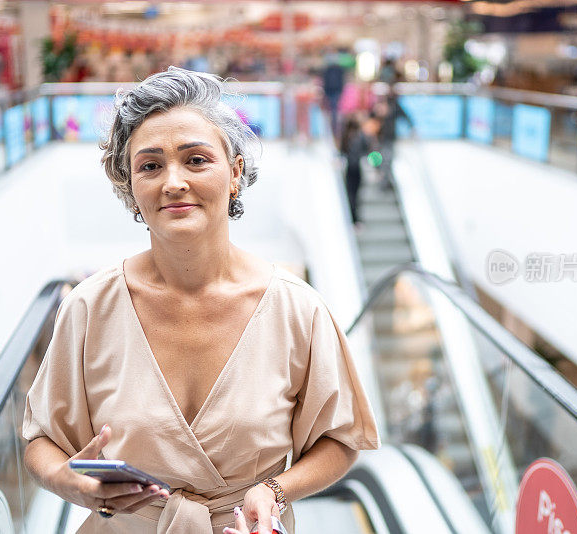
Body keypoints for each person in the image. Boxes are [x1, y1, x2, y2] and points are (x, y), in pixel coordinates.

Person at [22, 67, 380, 534]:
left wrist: (274, 490)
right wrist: (69, 481)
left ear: (234, 173)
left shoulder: (297, 310)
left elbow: (340, 438)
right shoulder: (90, 308)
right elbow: (41, 439)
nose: (173, 182)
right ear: (130, 189)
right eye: (150, 166)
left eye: (195, 160)